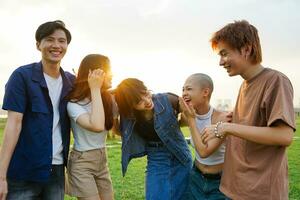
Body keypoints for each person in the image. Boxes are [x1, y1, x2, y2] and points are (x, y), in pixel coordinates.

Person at [201, 20, 296, 200]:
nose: (221, 62)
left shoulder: (275, 81)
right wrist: (231, 120)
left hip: (260, 191)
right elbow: (249, 127)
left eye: (224, 53)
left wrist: (226, 128)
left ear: (246, 49)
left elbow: (284, 136)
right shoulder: (245, 84)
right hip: (237, 187)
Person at [0, 20, 74, 200]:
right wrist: (1, 175)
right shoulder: (22, 76)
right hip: (23, 171)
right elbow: (13, 125)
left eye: (62, 41)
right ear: (38, 45)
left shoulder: (72, 82)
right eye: (50, 39)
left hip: (56, 171)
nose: (56, 45)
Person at [113, 78, 192, 200]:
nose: (147, 100)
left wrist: (183, 117)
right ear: (130, 105)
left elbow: (188, 118)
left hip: (180, 153)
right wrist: (114, 115)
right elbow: (120, 132)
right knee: (155, 195)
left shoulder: (168, 99)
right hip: (156, 156)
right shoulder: (128, 114)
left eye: (145, 93)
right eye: (139, 101)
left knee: (182, 196)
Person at [66, 54, 115, 200]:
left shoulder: (107, 99)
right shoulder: (73, 104)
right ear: (92, 73)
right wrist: (94, 88)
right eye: (107, 71)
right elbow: (97, 125)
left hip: (102, 161)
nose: (112, 75)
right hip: (82, 163)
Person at [180, 73, 229, 199]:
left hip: (219, 182)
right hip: (195, 176)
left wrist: (191, 120)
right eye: (183, 89)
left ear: (205, 92)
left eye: (189, 89)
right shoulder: (187, 115)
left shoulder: (220, 118)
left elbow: (204, 152)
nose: (184, 93)